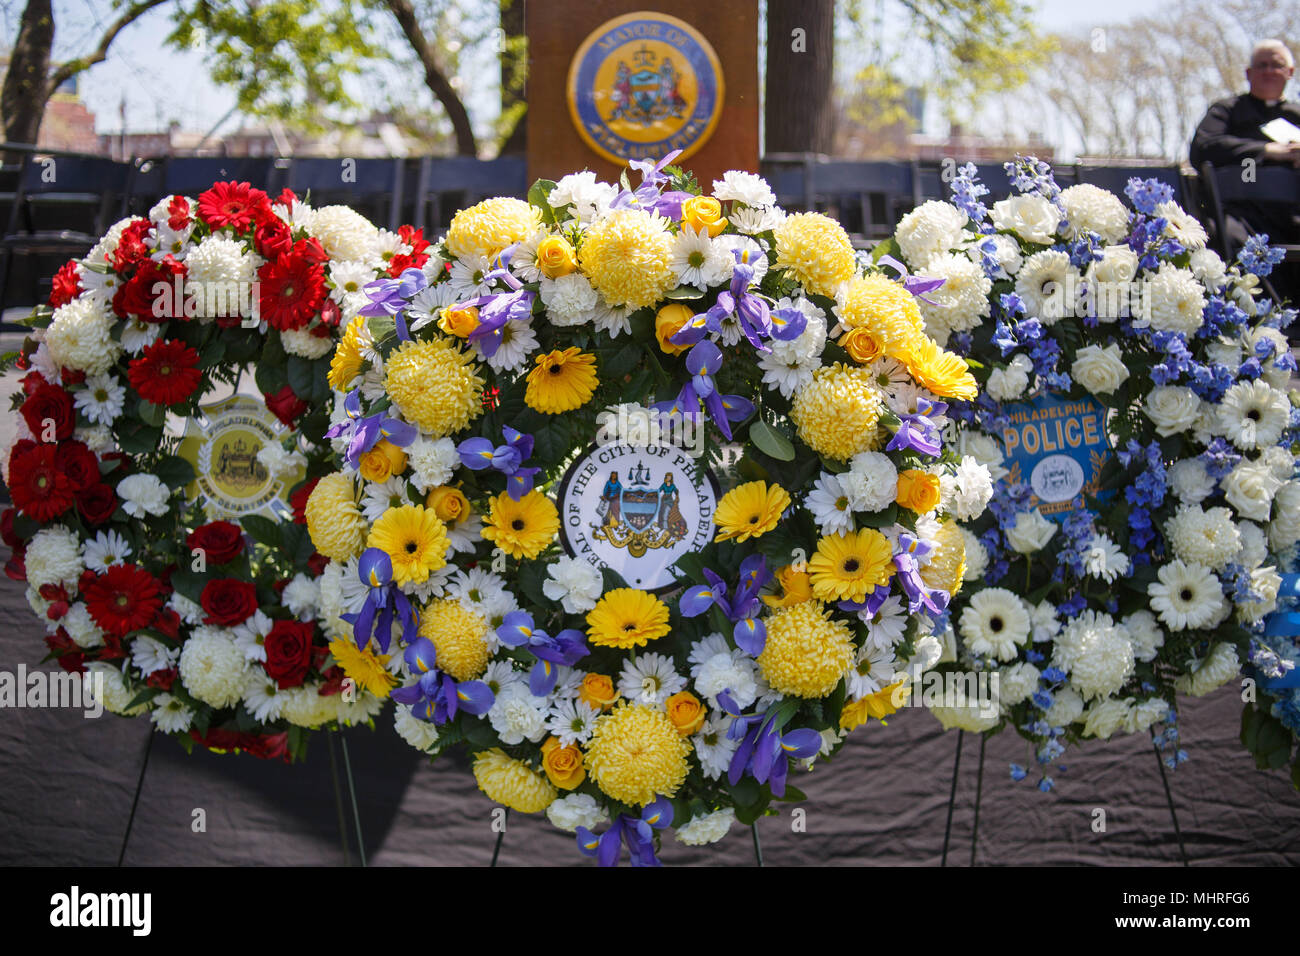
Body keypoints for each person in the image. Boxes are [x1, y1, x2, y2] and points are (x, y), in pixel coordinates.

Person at [1190, 39, 1300, 304]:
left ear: (1290, 72)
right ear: (1248, 73)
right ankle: (1258, 315)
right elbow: (1203, 148)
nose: (1268, 71)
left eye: (1277, 65)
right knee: (1227, 238)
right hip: (1242, 215)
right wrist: (1267, 151)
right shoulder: (1226, 111)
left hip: (1293, 216)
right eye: (1261, 65)